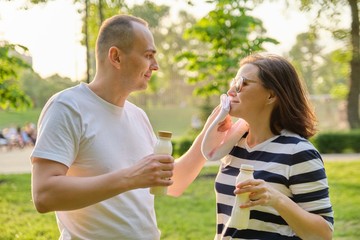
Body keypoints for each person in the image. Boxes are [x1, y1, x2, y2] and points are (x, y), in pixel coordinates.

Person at [31, 14, 209, 239]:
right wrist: (130, 178)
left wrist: (211, 131)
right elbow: (44, 195)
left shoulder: (138, 116)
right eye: (148, 56)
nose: (155, 66)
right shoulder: (68, 107)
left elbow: (172, 184)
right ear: (115, 57)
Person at [199, 53, 334, 239]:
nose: (231, 91)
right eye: (233, 82)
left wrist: (276, 199)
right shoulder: (234, 145)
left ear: (271, 95)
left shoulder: (298, 152)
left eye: (242, 83)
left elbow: (323, 234)